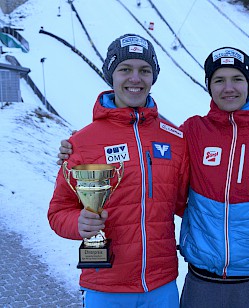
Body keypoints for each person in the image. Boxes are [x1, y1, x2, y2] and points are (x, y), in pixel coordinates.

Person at [57, 46, 249, 308]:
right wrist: (78, 147)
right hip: (202, 276)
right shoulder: (191, 132)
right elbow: (168, 187)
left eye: (237, 79)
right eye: (219, 80)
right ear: (209, 86)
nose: (228, 88)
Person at [49, 33, 189, 308]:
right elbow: (58, 211)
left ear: (153, 77)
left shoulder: (175, 139)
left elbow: (189, 203)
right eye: (125, 69)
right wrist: (77, 222)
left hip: (161, 285)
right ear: (111, 75)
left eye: (144, 71)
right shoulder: (82, 142)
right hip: (105, 287)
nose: (135, 79)